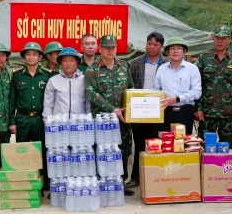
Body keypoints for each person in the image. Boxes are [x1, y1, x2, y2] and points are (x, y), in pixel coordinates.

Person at [84, 34, 134, 192]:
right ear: (100, 48)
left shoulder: (124, 67)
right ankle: (104, 183)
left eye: (112, 47)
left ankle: (121, 183)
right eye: (106, 47)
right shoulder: (92, 70)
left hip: (123, 120)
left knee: (123, 150)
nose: (110, 50)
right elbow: (91, 94)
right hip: (103, 121)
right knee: (104, 151)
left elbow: (131, 90)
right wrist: (112, 109)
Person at [127, 32, 167, 188]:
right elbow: (130, 86)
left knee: (157, 144)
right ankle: (135, 177)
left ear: (161, 47)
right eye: (149, 44)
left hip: (158, 111)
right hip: (138, 110)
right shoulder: (135, 63)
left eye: (155, 44)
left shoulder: (166, 63)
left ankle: (154, 176)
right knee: (138, 144)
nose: (151, 47)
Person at [195, 25, 232, 147]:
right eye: (217, 38)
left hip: (229, 114)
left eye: (223, 38)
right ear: (213, 39)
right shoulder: (203, 58)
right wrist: (198, 108)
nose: (220, 41)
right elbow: (197, 85)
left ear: (229, 39)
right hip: (207, 113)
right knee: (204, 148)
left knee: (228, 148)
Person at [154, 36, 202, 135]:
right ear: (167, 52)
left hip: (185, 112)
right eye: (172, 48)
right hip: (165, 112)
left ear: (184, 51)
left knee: (183, 145)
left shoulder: (192, 69)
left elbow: (197, 92)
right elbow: (156, 91)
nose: (175, 51)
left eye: (179, 48)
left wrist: (177, 99)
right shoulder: (161, 69)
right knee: (165, 144)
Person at [9, 42, 50, 142]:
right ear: (24, 57)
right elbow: (12, 99)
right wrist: (12, 121)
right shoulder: (16, 75)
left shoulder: (47, 75)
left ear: (40, 57)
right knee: (22, 151)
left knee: (41, 152)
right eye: (28, 54)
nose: (31, 57)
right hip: (22, 120)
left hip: (40, 120)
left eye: (34, 54)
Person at [43, 48, 90, 117]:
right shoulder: (53, 80)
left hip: (79, 123)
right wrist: (47, 121)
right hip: (59, 124)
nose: (68, 64)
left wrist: (88, 120)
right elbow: (48, 105)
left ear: (77, 62)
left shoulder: (84, 80)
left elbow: (88, 104)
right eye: (65, 61)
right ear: (60, 63)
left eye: (71, 60)